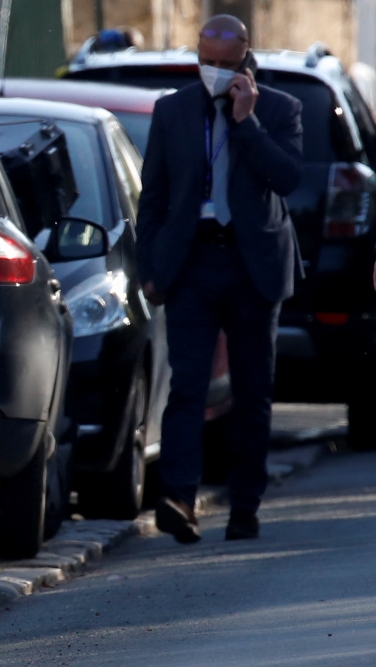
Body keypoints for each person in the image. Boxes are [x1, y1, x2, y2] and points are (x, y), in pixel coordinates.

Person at [137, 15, 303, 543]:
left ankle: (244, 508)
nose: (215, 73)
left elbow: (287, 178)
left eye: (227, 66)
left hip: (253, 265)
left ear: (247, 60)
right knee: (188, 387)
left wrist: (246, 121)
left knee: (252, 392)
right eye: (206, 63)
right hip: (193, 262)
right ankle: (179, 499)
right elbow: (154, 197)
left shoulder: (281, 108)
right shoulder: (173, 111)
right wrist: (149, 269)